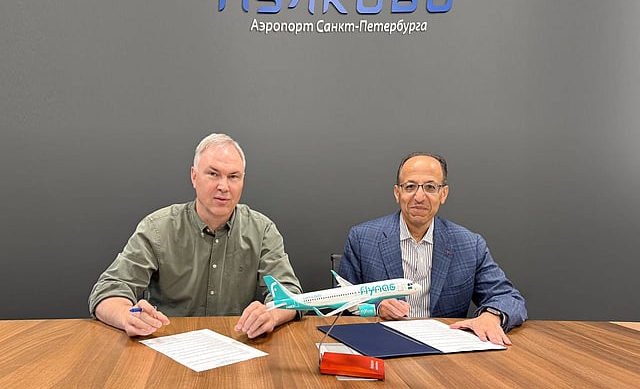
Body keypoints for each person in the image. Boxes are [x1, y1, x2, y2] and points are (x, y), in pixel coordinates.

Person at [89, 133, 302, 339]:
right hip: (169, 343)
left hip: (237, 342)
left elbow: (290, 293)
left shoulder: (262, 230)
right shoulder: (157, 228)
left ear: (243, 180)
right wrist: (127, 316)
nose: (223, 186)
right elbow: (108, 290)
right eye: (213, 174)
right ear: (194, 176)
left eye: (233, 176)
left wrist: (271, 315)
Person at [339, 152, 527, 346]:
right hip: (381, 343)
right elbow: (341, 300)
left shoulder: (469, 244)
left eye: (430, 187)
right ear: (397, 193)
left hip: (444, 349)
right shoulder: (363, 238)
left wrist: (491, 316)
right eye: (410, 186)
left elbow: (508, 297)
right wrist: (377, 307)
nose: (419, 197)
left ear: (443, 194)